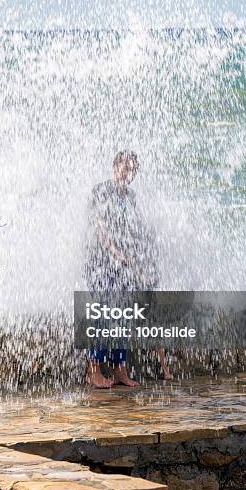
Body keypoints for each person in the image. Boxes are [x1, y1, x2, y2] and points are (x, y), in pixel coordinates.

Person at [84, 150, 172, 388]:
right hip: (100, 261)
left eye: (132, 170)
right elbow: (98, 226)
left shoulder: (130, 196)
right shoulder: (100, 190)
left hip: (124, 263)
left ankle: (119, 368)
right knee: (102, 314)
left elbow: (133, 231)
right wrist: (114, 252)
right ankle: (93, 370)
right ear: (115, 166)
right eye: (125, 168)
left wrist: (139, 259)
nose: (128, 173)